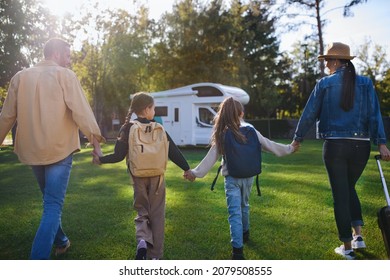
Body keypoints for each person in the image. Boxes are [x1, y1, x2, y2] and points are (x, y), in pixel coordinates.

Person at [0, 38, 105, 259]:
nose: (69, 61)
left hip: (33, 152)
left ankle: (62, 241)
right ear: (56, 53)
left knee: (49, 202)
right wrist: (95, 143)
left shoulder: (19, 77)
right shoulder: (65, 75)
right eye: (68, 55)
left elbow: (6, 116)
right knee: (52, 206)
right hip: (59, 150)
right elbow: (82, 111)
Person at [292, 42, 390, 260]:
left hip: (335, 146)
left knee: (341, 194)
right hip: (361, 147)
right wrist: (381, 142)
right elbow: (375, 114)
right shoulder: (366, 83)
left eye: (327, 60)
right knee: (349, 187)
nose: (326, 64)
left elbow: (309, 113)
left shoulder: (325, 84)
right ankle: (359, 236)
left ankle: (346, 247)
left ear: (337, 61)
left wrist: (297, 138)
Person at [184, 97, 299, 259]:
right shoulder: (250, 128)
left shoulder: (222, 132)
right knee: (244, 205)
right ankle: (245, 233)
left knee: (234, 212)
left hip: (231, 177)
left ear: (223, 114)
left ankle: (237, 252)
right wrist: (290, 148)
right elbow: (269, 145)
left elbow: (211, 158)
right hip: (249, 175)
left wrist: (194, 173)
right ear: (241, 113)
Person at [92, 92, 191, 260]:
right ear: (146, 109)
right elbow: (173, 151)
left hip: (138, 176)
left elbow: (118, 155)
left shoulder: (127, 127)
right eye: (153, 108)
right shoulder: (158, 127)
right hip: (157, 178)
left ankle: (143, 240)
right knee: (157, 216)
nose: (154, 111)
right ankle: (155, 256)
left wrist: (100, 159)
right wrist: (187, 169)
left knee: (142, 211)